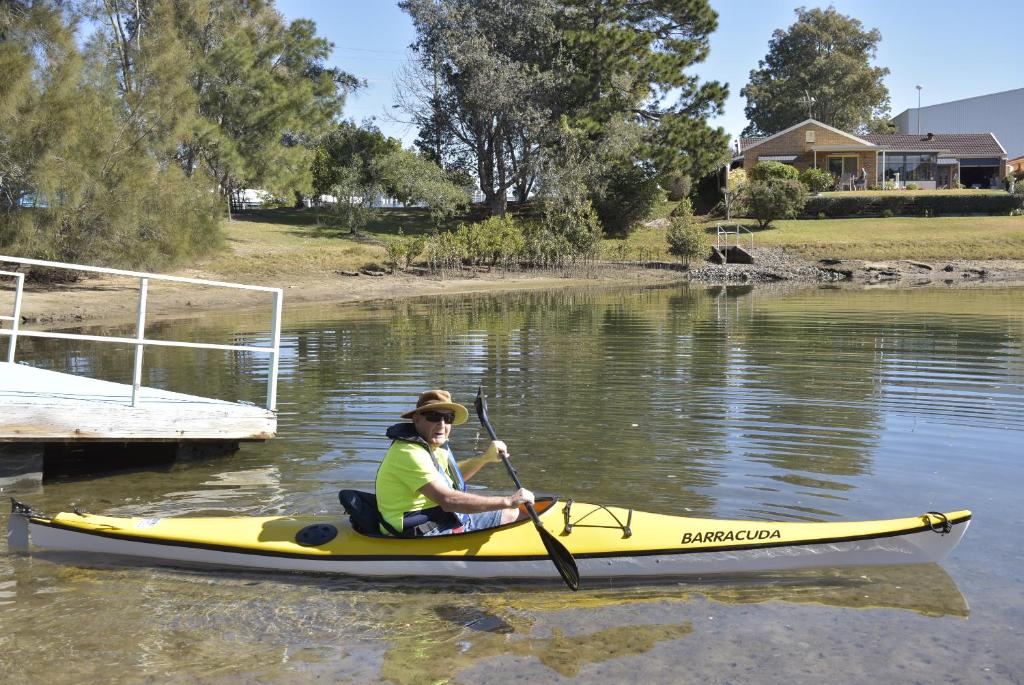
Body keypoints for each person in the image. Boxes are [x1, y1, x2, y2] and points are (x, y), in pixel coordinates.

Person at [375, 389, 534, 536]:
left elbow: (451, 478)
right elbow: (448, 501)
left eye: (448, 418)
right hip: (418, 530)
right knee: (515, 514)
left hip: (439, 517)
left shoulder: (433, 445)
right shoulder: (409, 452)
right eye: (434, 416)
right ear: (416, 419)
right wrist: (508, 501)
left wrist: (484, 458)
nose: (442, 425)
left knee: (517, 514)